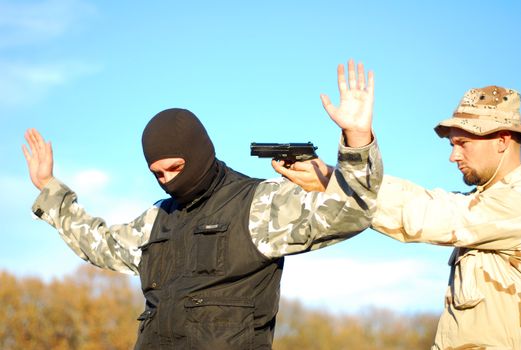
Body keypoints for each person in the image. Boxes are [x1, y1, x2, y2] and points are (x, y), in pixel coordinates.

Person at [22, 60, 383, 349]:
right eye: (157, 173)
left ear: (198, 153)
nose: (167, 179)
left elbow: (351, 212)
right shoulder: (157, 219)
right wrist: (50, 190)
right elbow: (99, 245)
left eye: (175, 167)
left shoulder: (256, 204)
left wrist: (357, 140)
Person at [274, 84, 521, 349]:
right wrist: (335, 178)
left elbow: (428, 213)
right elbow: (428, 203)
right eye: (453, 144)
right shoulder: (487, 204)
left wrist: (343, 172)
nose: (453, 156)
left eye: (463, 143)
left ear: (502, 140)